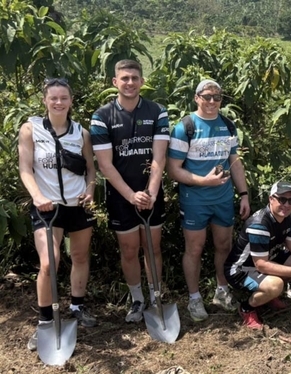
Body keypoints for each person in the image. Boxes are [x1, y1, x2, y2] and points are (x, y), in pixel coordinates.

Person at [20, 78, 98, 350]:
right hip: (46, 207)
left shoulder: (82, 133)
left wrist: (90, 191)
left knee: (79, 256)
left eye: (63, 97)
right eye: (53, 98)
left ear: (71, 101)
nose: (58, 102)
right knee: (49, 263)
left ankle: (77, 306)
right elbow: (25, 169)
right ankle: (44, 322)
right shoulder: (30, 129)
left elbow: (91, 170)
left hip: (77, 206)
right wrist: (37, 196)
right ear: (45, 100)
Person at [91, 59, 170, 323]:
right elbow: (104, 164)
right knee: (128, 250)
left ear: (142, 81)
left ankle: (155, 295)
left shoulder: (158, 111)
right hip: (120, 195)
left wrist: (151, 192)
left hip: (152, 193)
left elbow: (159, 157)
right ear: (115, 82)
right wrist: (131, 196)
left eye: (135, 78)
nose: (130, 83)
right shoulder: (101, 116)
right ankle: (137, 300)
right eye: (124, 78)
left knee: (152, 247)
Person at [167, 79, 250, 321]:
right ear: (196, 98)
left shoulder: (227, 125)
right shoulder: (186, 127)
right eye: (207, 96)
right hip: (194, 199)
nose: (212, 101)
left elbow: (235, 163)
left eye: (217, 97)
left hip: (223, 198)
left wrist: (243, 194)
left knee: (224, 245)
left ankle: (221, 290)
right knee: (194, 248)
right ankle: (194, 298)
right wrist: (204, 181)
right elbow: (173, 169)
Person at [224, 181, 291, 329]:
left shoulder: (288, 218)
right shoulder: (259, 224)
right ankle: (247, 308)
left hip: (267, 260)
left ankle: (268, 296)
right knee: (276, 285)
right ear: (271, 199)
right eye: (282, 199)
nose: (286, 204)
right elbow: (261, 265)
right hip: (240, 270)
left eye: (290, 201)